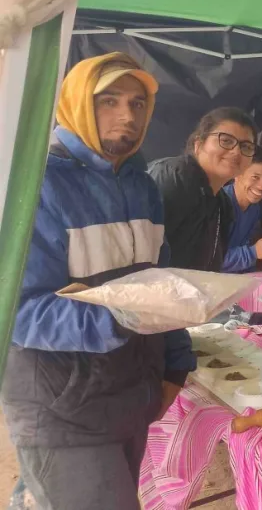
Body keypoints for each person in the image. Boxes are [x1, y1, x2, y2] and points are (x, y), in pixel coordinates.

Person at [1, 53, 196, 510]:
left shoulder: (142, 187)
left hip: (131, 397)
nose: (127, 115)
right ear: (75, 103)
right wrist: (122, 315)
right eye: (108, 100)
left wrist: (175, 363)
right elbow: (16, 311)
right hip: (61, 410)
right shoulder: (33, 184)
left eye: (138, 103)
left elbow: (160, 282)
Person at [149, 107, 257, 272]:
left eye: (246, 146)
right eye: (226, 140)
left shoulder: (222, 204)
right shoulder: (174, 178)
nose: (236, 152)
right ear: (198, 144)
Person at [222, 151, 262, 273]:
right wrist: (253, 253)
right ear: (236, 174)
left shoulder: (255, 207)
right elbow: (208, 259)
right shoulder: (218, 205)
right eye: (255, 177)